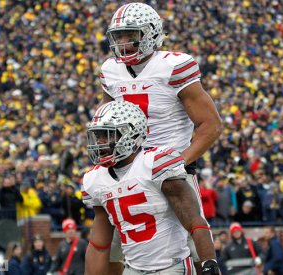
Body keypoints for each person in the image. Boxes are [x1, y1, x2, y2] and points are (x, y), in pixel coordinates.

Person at [98, 2, 222, 273]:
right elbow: (105, 121)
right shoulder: (110, 70)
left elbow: (210, 125)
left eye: (130, 35)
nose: (123, 42)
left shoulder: (174, 66)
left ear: (150, 33)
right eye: (118, 35)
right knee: (119, 249)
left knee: (191, 246)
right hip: (127, 170)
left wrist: (178, 162)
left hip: (171, 172)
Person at [83, 101, 219, 275]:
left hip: (172, 267)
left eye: (107, 135)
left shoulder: (155, 163)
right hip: (133, 269)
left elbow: (194, 220)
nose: (100, 142)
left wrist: (209, 263)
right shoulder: (96, 179)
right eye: (98, 135)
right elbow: (99, 246)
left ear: (130, 135)